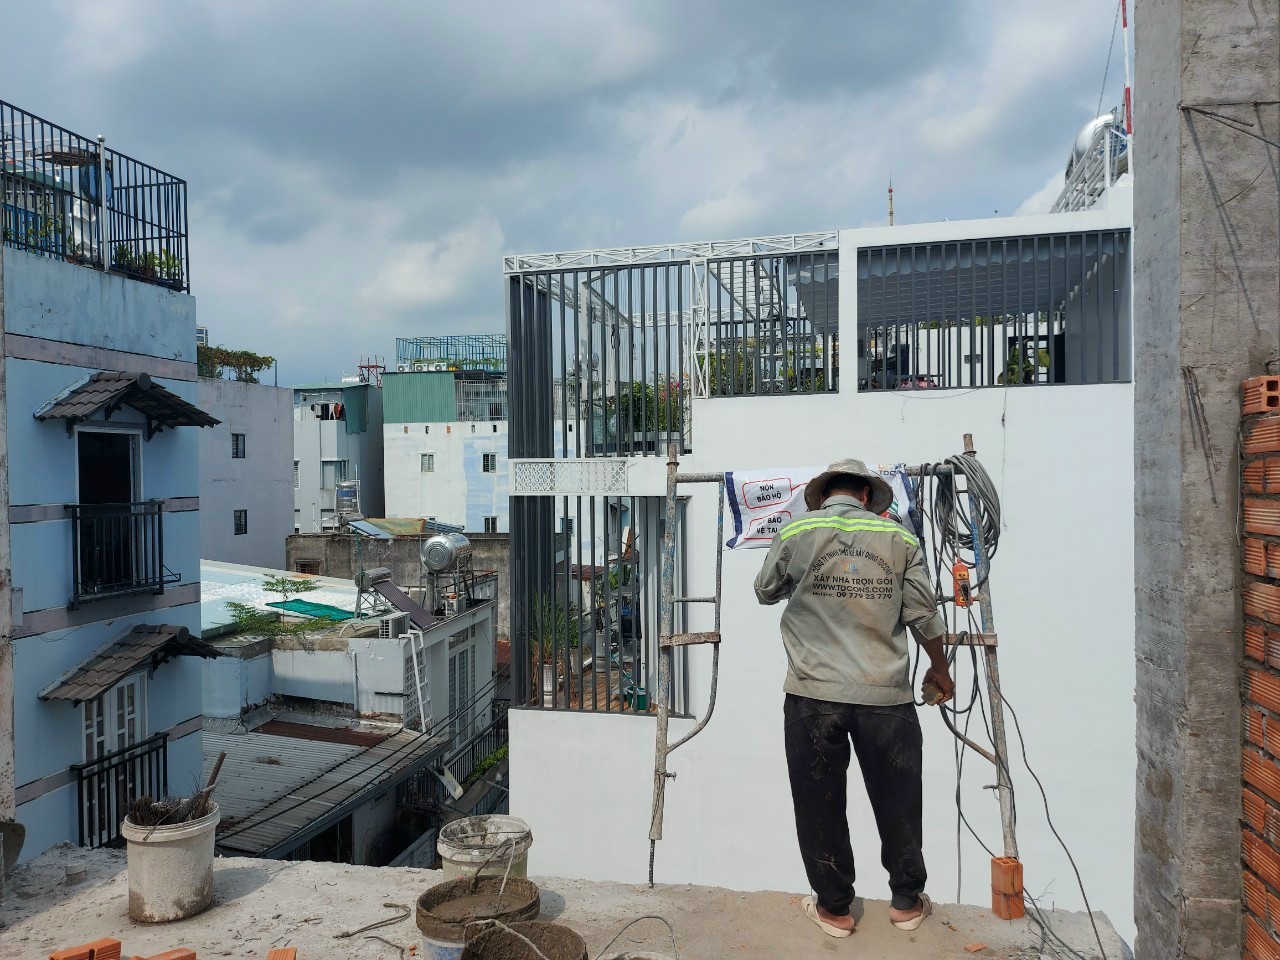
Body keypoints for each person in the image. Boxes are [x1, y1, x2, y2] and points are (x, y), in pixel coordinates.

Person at [754, 458, 954, 939]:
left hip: (813, 694)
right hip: (885, 695)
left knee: (818, 802)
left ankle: (835, 910)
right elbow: (924, 615)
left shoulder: (796, 531)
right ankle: (906, 903)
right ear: (866, 495)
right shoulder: (900, 538)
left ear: (825, 494)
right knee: (899, 799)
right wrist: (940, 668)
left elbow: (765, 590)